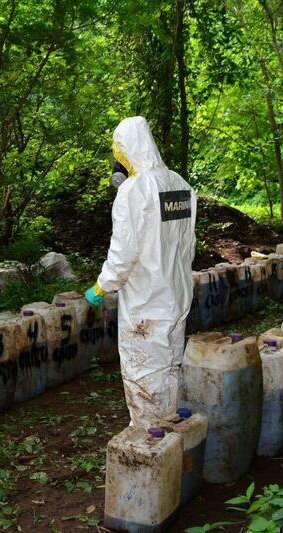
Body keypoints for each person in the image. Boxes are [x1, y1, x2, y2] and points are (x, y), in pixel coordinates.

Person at [84, 116, 197, 427]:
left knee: (144, 371)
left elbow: (124, 254)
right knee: (171, 365)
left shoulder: (134, 191)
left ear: (128, 148)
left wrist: (102, 286)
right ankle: (171, 427)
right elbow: (188, 244)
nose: (116, 159)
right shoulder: (179, 184)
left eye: (117, 151)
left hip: (146, 301)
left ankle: (150, 435)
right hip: (176, 294)